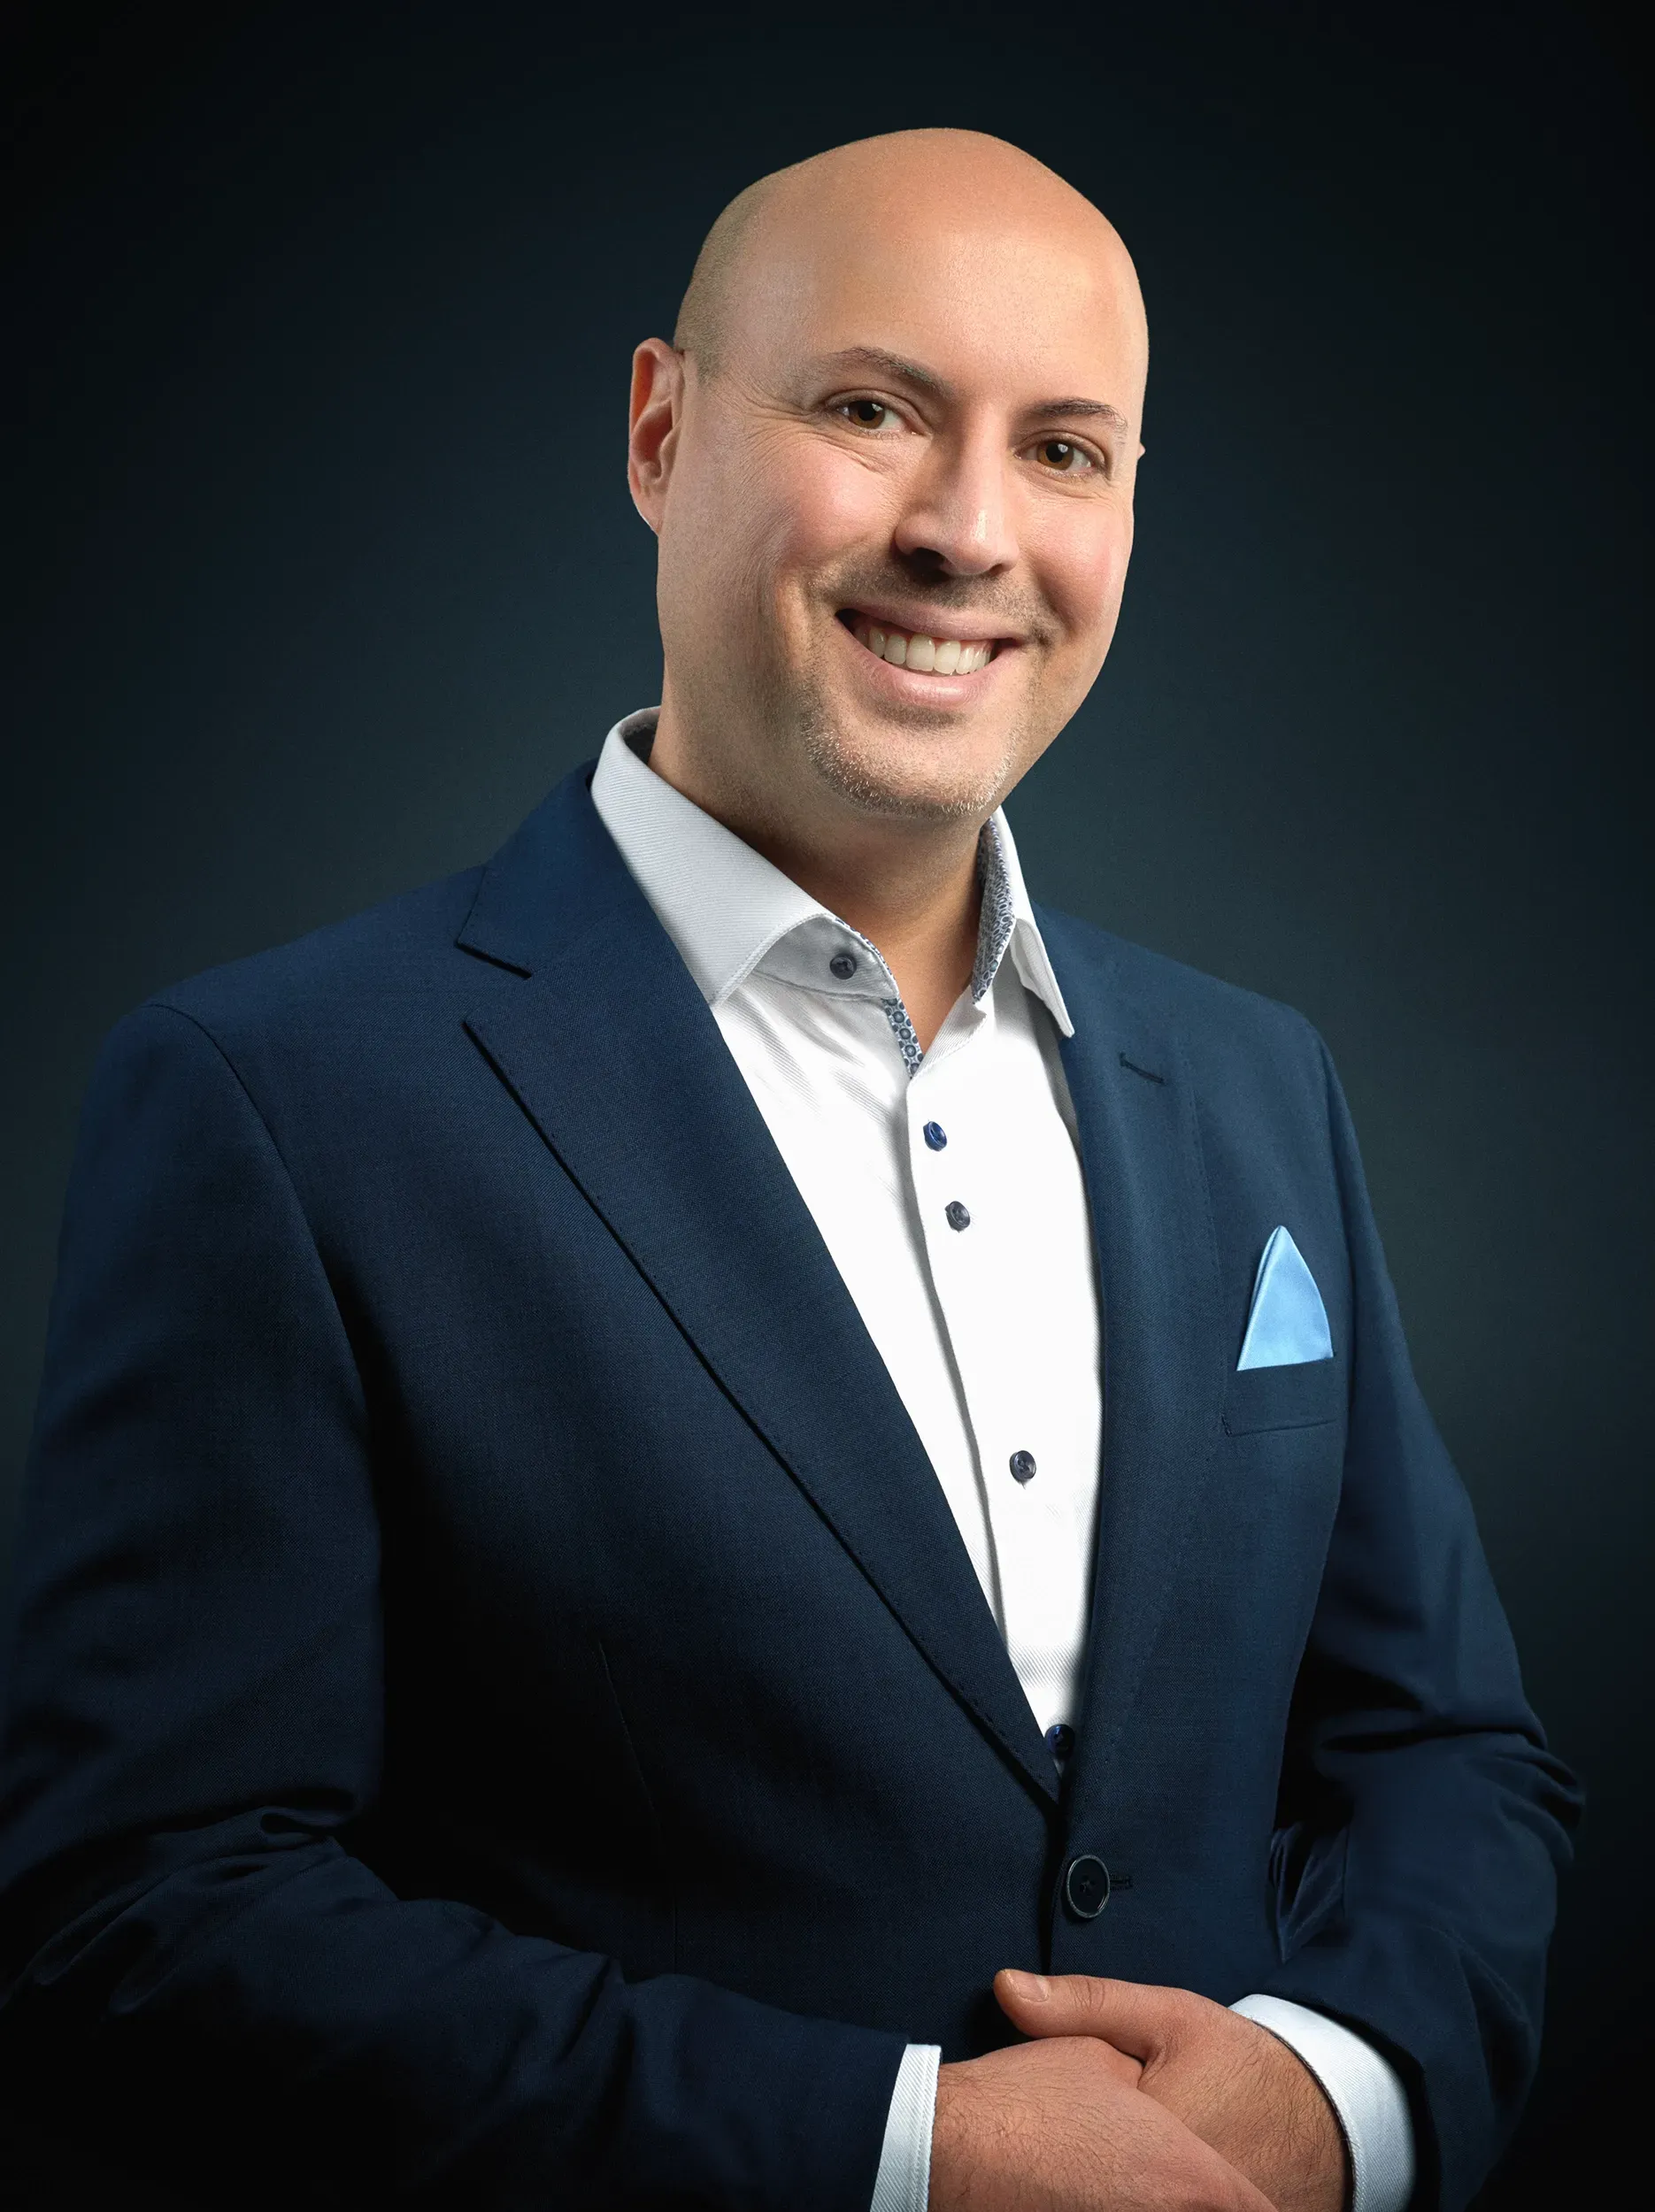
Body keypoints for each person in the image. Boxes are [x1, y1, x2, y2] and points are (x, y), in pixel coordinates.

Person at [0, 128, 1577, 2212]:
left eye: (1066, 451)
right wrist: (897, 2149)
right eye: (870, 410)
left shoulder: (1253, 1077)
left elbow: (1446, 1758)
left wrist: (1330, 2091)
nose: (965, 531)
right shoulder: (272, 1096)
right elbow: (143, 1910)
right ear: (661, 432)